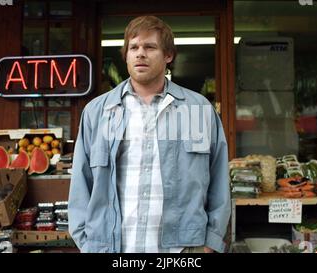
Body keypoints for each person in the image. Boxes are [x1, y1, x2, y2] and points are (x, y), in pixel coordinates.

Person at [68, 15, 230, 253]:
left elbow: (218, 178)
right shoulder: (99, 111)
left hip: (183, 250)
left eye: (150, 47)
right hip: (112, 249)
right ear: (126, 55)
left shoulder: (197, 109)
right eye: (133, 47)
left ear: (168, 56)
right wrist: (86, 241)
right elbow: (81, 182)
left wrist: (210, 242)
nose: (140, 53)